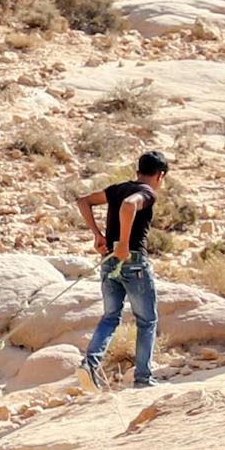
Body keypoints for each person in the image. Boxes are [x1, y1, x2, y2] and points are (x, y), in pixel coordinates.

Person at [75, 152, 168, 392]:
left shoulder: (118, 188)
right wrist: (125, 243)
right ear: (160, 175)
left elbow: (83, 201)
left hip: (108, 262)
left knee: (110, 317)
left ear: (138, 171)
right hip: (134, 262)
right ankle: (143, 377)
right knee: (147, 321)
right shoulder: (147, 193)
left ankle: (90, 364)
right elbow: (129, 206)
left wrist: (98, 235)